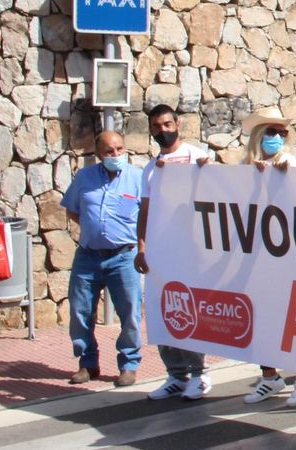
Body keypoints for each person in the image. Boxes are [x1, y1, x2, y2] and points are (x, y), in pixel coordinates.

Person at [133, 105, 213, 401]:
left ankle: (200, 373)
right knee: (164, 309)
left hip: (190, 251)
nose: (163, 130)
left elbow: (215, 193)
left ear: (177, 124)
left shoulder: (198, 156)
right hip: (161, 251)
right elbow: (145, 209)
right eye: (157, 126)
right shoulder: (151, 169)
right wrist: (141, 247)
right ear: (151, 131)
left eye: (168, 124)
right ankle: (176, 375)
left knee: (190, 310)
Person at [236, 108, 296, 405]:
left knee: (294, 315)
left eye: (282, 133)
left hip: (287, 251)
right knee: (261, 315)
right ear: (259, 135)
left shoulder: (287, 162)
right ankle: (269, 375)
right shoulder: (247, 166)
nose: (278, 138)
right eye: (271, 132)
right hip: (256, 253)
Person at [61, 131, 145, 387]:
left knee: (130, 312)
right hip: (88, 256)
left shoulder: (137, 178)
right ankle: (87, 364)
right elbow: (73, 210)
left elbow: (148, 216)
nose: (116, 155)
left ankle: (129, 364)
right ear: (99, 154)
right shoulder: (85, 177)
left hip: (124, 257)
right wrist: (94, 229)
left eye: (119, 149)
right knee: (80, 312)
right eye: (109, 151)